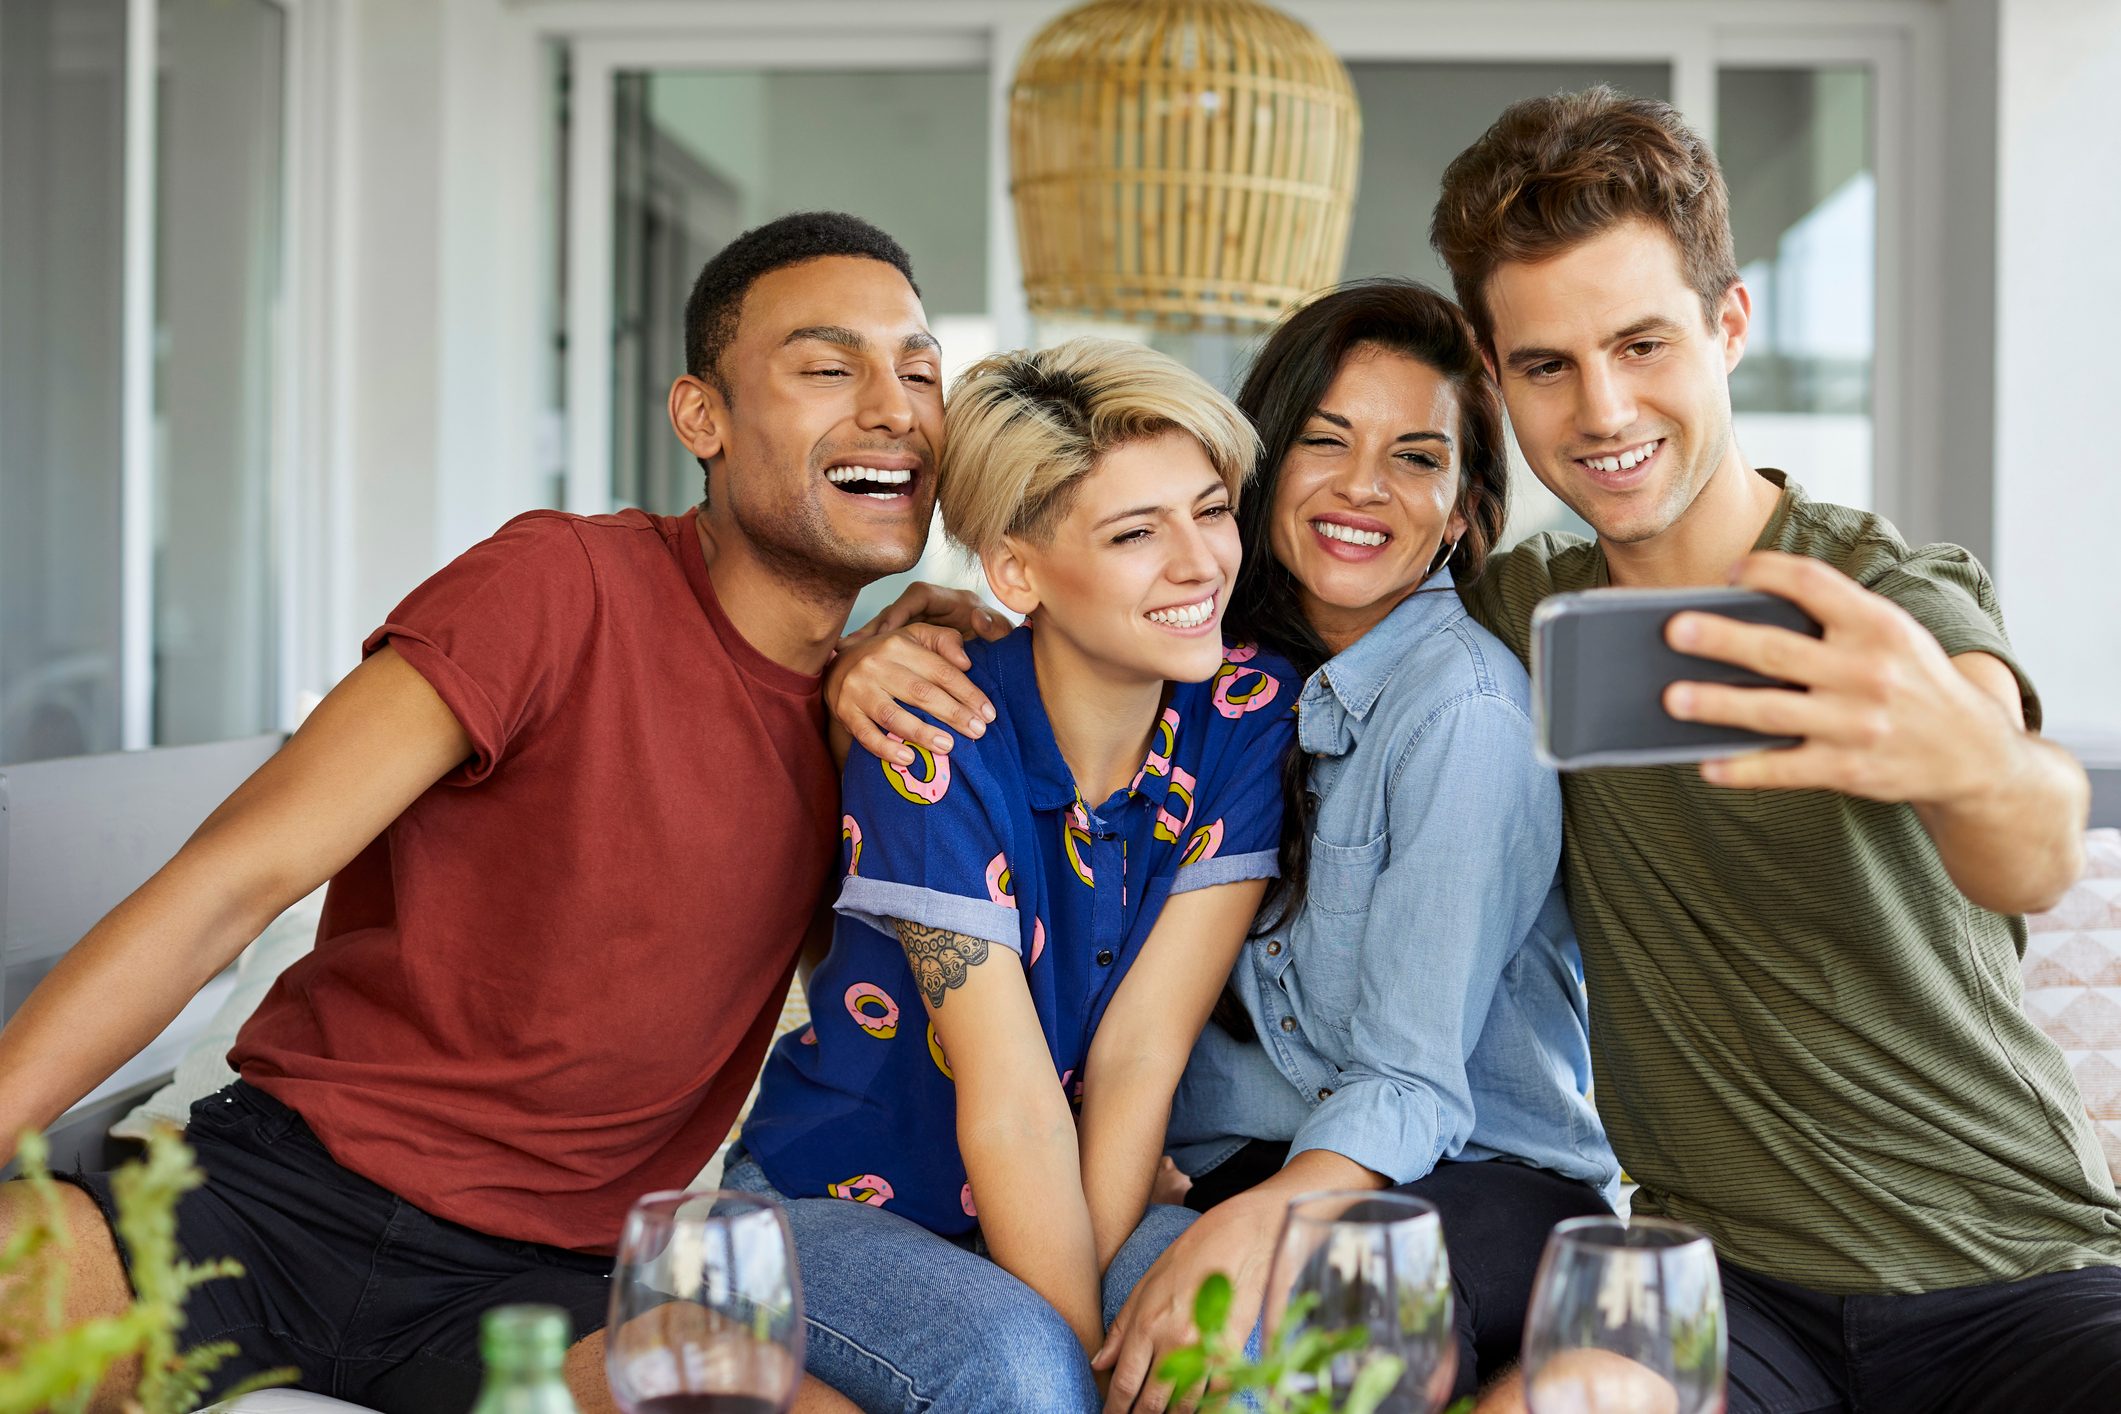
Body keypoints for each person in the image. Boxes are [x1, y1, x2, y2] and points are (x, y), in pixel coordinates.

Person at [0, 211, 1003, 1414]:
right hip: (267, 1199)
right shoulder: (557, 584)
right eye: (830, 367)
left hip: (552, 1288)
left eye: (922, 369)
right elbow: (231, 881)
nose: (896, 407)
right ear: (703, 418)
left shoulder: (887, 720)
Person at [1423, 89, 2119, 1412]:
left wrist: (1966, 762)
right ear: (1492, 367)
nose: (1602, 407)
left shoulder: (1886, 590)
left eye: (1642, 343)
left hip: (2016, 1265)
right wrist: (909, 621)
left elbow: (2030, 844)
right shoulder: (1511, 620)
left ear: (1728, 324)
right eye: (1547, 365)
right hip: (1717, 1289)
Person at [727, 337, 1299, 1412]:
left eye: (1210, 509)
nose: (1198, 562)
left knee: (1227, 1354)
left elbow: (1140, 1051)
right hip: (830, 1201)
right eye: (1136, 531)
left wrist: (1103, 1297)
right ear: (1017, 571)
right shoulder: (933, 730)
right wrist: (1080, 1358)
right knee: (1023, 1374)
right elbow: (1011, 1106)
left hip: (1075, 1186)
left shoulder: (1244, 712)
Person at [1092, 280, 1620, 1412]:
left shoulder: (1465, 712)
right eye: (1325, 441)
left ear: (1467, 508)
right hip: (1255, 1166)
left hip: (1477, 1176)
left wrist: (1260, 1217)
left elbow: (1410, 1081)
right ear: (1263, 465)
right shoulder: (1205, 673)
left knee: (1316, 1346)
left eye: (1417, 458)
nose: (1363, 488)